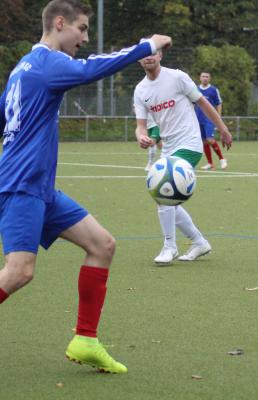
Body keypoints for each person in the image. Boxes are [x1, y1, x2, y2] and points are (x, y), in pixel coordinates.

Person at [0, 0, 171, 374]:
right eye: (81, 29)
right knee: (18, 272)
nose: (85, 38)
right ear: (59, 23)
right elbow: (92, 69)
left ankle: (86, 339)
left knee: (102, 245)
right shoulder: (46, 63)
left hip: (38, 187)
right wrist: (147, 45)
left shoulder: (22, 69)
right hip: (22, 186)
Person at [134, 49, 232, 264]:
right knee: (164, 198)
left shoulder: (177, 77)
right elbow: (140, 126)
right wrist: (142, 137)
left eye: (153, 52)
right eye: (144, 53)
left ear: (160, 56)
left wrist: (222, 128)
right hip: (168, 148)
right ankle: (199, 242)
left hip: (190, 144)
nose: (149, 56)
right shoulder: (140, 90)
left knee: (164, 192)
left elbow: (204, 103)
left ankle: (170, 246)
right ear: (138, 58)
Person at [195, 72, 228, 170]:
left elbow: (218, 104)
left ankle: (222, 159)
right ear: (200, 78)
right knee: (204, 141)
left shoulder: (213, 90)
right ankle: (210, 163)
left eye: (207, 76)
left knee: (210, 140)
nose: (205, 78)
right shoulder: (195, 89)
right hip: (198, 118)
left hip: (209, 119)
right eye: (203, 76)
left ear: (210, 78)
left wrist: (218, 118)